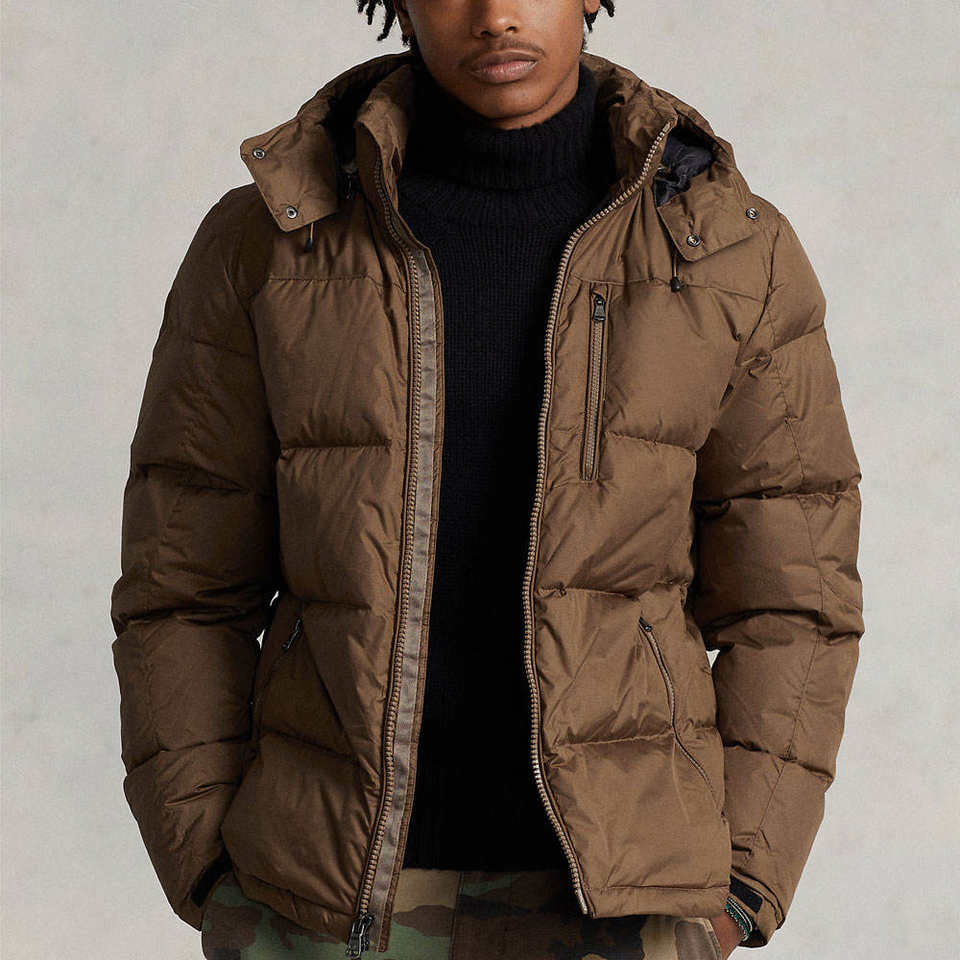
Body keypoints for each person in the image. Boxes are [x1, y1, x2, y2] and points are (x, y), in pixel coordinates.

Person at [109, 2, 865, 958]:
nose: (497, 14)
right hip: (319, 902)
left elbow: (794, 600)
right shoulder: (269, 241)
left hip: (626, 904)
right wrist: (209, 866)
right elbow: (182, 585)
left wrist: (741, 886)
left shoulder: (729, 252)